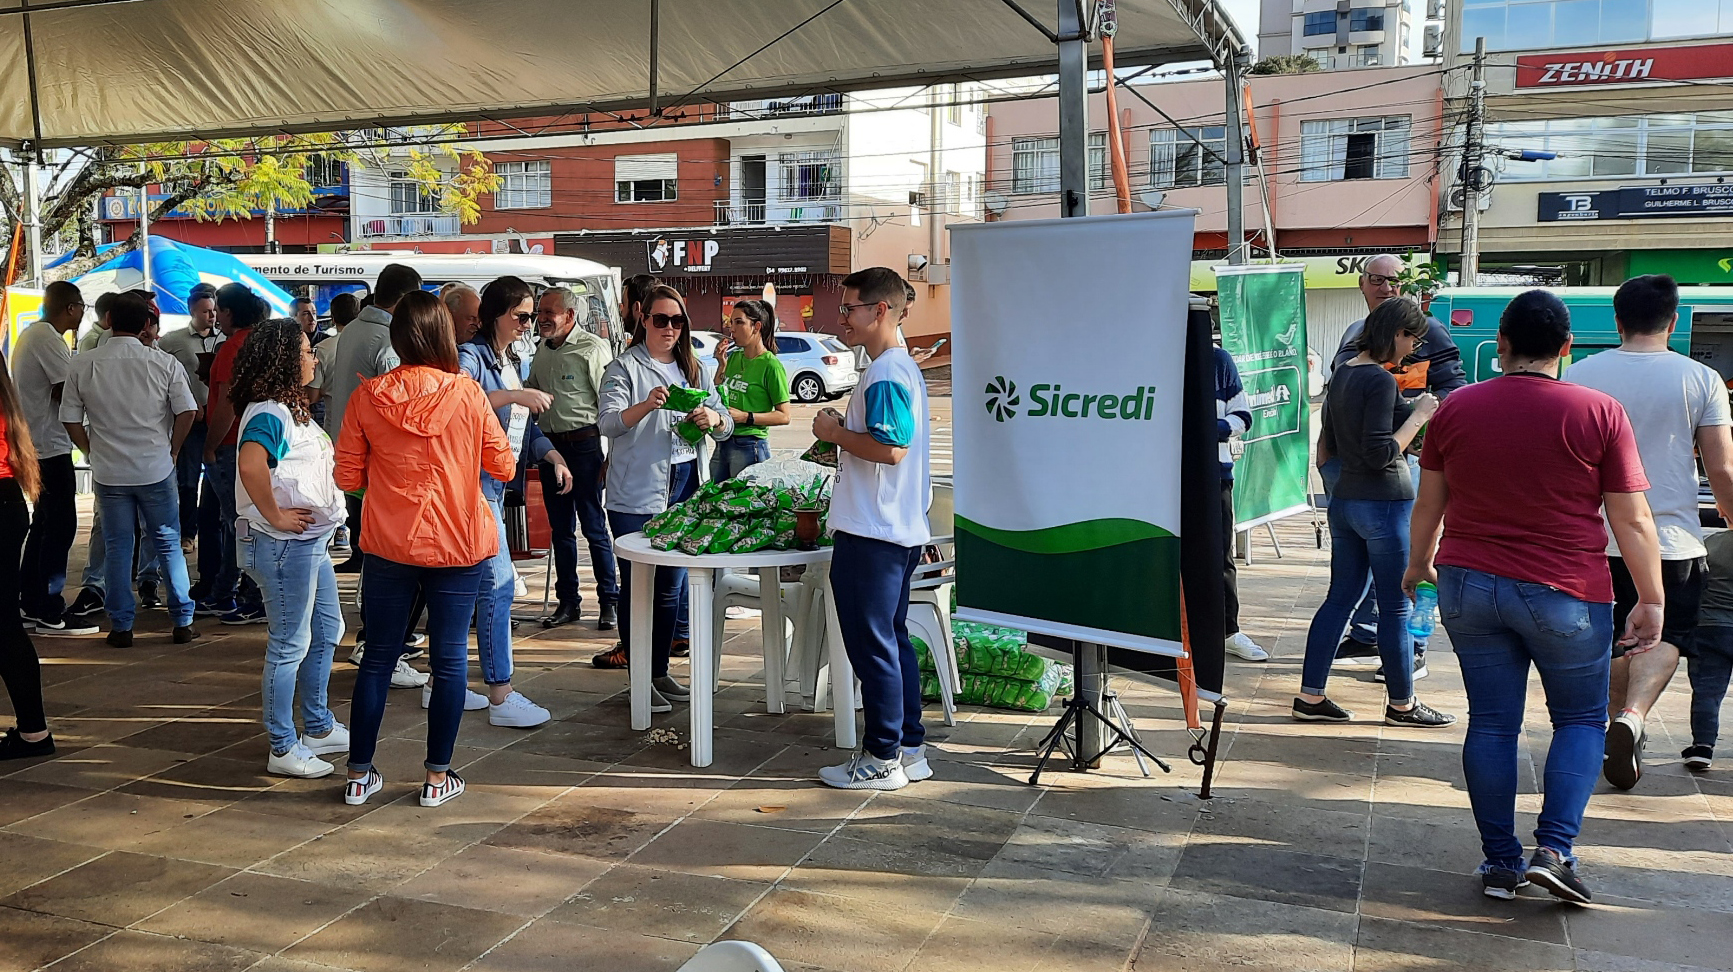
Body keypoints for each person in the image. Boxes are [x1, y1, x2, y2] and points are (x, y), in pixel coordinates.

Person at [1405, 289, 1664, 905]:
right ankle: (1554, 851)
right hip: (1566, 590)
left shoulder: (1456, 408)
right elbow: (1631, 519)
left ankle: (1500, 864)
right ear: (1566, 348)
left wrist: (1418, 565)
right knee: (1579, 720)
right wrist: (1652, 598)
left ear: (1501, 344)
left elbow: (1429, 503)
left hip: (1469, 583)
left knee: (1492, 724)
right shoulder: (1598, 412)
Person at [335, 290, 514, 808]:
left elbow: (346, 475)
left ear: (397, 338)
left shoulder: (368, 397)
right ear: (444, 335)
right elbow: (503, 465)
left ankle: (358, 774)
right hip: (460, 541)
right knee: (450, 659)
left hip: (390, 543)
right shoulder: (469, 394)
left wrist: (386, 492)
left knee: (377, 658)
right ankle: (437, 778)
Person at [1562, 274, 1733, 790]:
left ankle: (1612, 728)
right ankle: (1633, 715)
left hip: (1594, 537)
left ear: (1617, 321)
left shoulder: (1580, 374)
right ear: (1673, 321)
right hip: (1672, 540)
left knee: (1613, 635)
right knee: (1667, 635)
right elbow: (1722, 469)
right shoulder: (1701, 379)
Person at [1297, 298, 1453, 729]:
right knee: (1396, 606)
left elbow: (1331, 443)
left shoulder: (1344, 373)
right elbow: (1380, 452)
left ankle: (1310, 696)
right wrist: (1419, 416)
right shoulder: (1380, 380)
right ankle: (1402, 704)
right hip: (1383, 504)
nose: (1413, 350)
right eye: (1413, 340)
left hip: (1346, 502)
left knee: (1339, 599)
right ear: (1397, 333)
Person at [811, 268, 933, 790]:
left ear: (880, 310)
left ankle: (883, 756)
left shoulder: (886, 372)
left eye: (850, 309)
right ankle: (908, 746)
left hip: (874, 532)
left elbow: (891, 448)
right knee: (891, 640)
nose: (842, 318)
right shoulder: (895, 368)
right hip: (892, 529)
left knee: (873, 646)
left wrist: (834, 432)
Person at [1325, 254, 1467, 675]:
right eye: (1376, 279)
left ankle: (1413, 648)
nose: (1385, 288)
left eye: (1394, 281)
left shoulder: (1427, 332)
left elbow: (1452, 388)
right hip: (1351, 466)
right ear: (1361, 284)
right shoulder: (1355, 333)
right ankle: (1368, 634)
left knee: (1415, 554)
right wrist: (1324, 447)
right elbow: (1335, 397)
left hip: (1406, 464)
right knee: (1369, 562)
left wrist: (1418, 424)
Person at [593, 284, 731, 709]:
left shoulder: (695, 368)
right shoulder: (623, 368)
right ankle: (639, 679)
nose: (669, 328)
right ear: (643, 319)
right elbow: (608, 423)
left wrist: (713, 419)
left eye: (677, 321)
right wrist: (647, 405)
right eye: (660, 320)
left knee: (671, 586)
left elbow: (726, 423)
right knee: (639, 585)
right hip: (636, 491)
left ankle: (657, 671)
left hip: (685, 483)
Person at [230, 319, 349, 778]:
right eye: (306, 351)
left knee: (326, 628)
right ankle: (282, 744)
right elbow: (251, 464)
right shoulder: (270, 412)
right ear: (284, 360)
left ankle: (317, 725)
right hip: (283, 544)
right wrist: (276, 515)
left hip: (305, 543)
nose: (313, 358)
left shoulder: (284, 408)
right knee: (289, 644)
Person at [456, 276, 567, 728]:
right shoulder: (471, 356)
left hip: (494, 483)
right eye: (520, 316)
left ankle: (444, 682)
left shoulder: (508, 359)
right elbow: (461, 399)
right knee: (498, 584)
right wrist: (517, 394)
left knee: (464, 589)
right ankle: (500, 692)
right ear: (495, 315)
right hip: (476, 485)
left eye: (530, 317)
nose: (527, 325)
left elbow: (522, 422)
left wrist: (551, 455)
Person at [60, 294, 199, 648]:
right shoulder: (163, 363)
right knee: (167, 542)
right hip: (156, 466)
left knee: (117, 547)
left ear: (108, 320)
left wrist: (90, 450)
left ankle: (121, 626)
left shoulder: (83, 363)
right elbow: (188, 411)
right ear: (146, 325)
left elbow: (70, 418)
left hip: (109, 472)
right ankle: (182, 619)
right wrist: (173, 449)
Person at [526, 285, 619, 631]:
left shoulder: (592, 349)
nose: (541, 318)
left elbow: (611, 404)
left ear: (569, 315)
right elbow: (531, 392)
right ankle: (568, 602)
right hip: (550, 450)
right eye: (540, 312)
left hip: (584, 447)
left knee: (593, 526)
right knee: (560, 530)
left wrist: (610, 456)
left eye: (549, 312)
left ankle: (609, 601)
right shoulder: (541, 350)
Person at [13, 282, 98, 635]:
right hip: (49, 445)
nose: (81, 315)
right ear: (71, 308)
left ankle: (31, 601)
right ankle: (50, 608)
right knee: (60, 526)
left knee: (45, 524)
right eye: (81, 308)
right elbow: (67, 390)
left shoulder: (34, 335)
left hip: (38, 443)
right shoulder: (47, 338)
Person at [327, 264, 421, 578]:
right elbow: (397, 405)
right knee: (384, 547)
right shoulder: (388, 338)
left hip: (349, 447)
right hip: (376, 456)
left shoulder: (353, 328)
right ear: (404, 298)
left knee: (365, 534)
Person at [199, 283, 269, 624]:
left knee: (238, 523)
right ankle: (231, 590)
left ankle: (245, 594)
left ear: (228, 312)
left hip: (230, 443)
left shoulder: (233, 347)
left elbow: (227, 402)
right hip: (258, 440)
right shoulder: (263, 343)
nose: (217, 318)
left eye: (219, 311)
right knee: (244, 520)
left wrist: (210, 445)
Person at [0, 333, 53, 758]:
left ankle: (35, 732)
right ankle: (34, 731)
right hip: (7, 504)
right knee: (4, 625)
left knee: (4, 626)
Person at [158, 285, 222, 563]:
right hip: (190, 420)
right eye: (206, 311)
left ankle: (214, 529)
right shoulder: (173, 341)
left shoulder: (224, 339)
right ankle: (187, 532)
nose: (211, 316)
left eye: (214, 310)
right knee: (187, 480)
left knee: (217, 478)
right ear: (192, 311)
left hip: (219, 419)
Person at [1215, 346, 1267, 661]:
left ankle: (1228, 632)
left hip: (1214, 474)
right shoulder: (1153, 353)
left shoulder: (1218, 360)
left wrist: (1212, 428)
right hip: (1163, 477)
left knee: (1221, 556)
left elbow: (1243, 416)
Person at [710, 299, 790, 481]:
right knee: (716, 496)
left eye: (739, 322)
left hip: (750, 444)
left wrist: (746, 417)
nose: (732, 329)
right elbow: (718, 393)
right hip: (723, 440)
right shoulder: (734, 357)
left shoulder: (770, 365)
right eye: (731, 323)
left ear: (756, 326)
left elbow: (784, 416)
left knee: (746, 498)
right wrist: (721, 364)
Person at [1686, 528, 1733, 772]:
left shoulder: (1710, 544)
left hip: (1710, 626)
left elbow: (1695, 582)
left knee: (1707, 691)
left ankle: (1702, 747)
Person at [307, 292, 359, 501]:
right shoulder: (371, 343)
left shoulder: (323, 349)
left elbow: (312, 395)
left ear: (333, 318)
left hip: (334, 428)